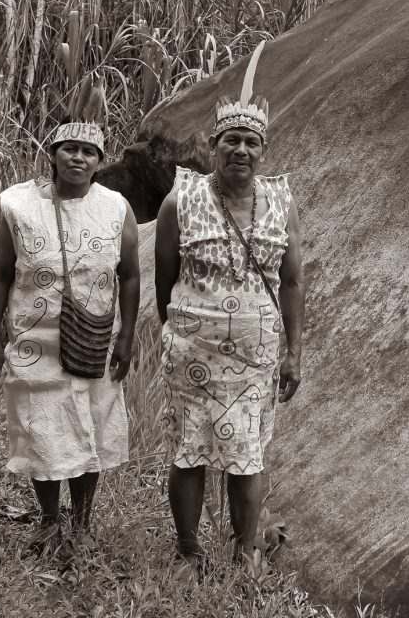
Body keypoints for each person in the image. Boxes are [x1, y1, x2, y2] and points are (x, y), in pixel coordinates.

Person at [154, 40, 304, 569]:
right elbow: (164, 280)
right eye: (231, 141)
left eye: (251, 142)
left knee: (246, 458)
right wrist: (179, 330)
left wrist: (294, 352)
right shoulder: (182, 200)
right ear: (213, 146)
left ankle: (244, 552)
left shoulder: (281, 204)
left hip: (254, 359)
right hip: (192, 356)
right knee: (189, 450)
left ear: (263, 151)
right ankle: (189, 548)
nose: (241, 150)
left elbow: (291, 281)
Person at [0, 121, 140, 552]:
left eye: (89, 152)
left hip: (93, 342)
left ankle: (83, 524)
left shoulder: (115, 207)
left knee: (90, 428)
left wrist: (126, 335)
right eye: (70, 148)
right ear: (53, 154)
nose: (78, 158)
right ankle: (50, 522)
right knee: (42, 431)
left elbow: (129, 275)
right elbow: (0, 273)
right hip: (35, 343)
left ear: (99, 162)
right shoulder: (19, 204)